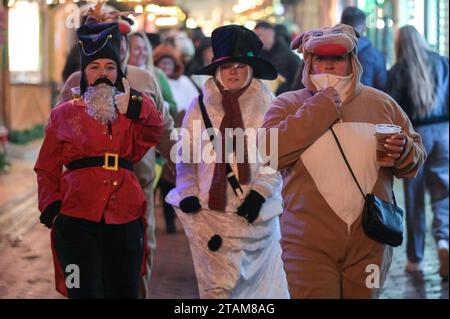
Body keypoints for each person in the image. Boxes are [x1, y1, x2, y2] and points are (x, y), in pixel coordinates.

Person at [262, 23, 425, 298]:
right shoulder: (286, 104)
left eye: (337, 58)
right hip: (307, 244)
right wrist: (322, 106)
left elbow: (413, 160)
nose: (328, 66)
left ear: (352, 62)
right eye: (320, 59)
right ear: (309, 63)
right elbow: (269, 154)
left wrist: (405, 151)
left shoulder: (382, 103)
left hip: (371, 243)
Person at [34, 22, 164, 299]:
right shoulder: (63, 114)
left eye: (109, 67)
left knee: (124, 290)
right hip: (76, 215)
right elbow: (46, 166)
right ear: (84, 73)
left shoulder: (133, 109)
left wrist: (140, 105)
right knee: (82, 290)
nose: (102, 73)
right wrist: (51, 206)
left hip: (126, 214)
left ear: (118, 72)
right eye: (94, 67)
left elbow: (156, 130)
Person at [166, 24, 289, 299]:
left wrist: (259, 195)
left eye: (241, 65)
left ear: (251, 69)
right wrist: (187, 192)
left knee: (261, 295)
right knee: (217, 292)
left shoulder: (269, 105)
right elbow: (186, 158)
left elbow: (274, 159)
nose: (234, 71)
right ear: (217, 70)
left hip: (257, 220)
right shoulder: (199, 106)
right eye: (227, 66)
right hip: (211, 217)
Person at [386, 25, 449, 280]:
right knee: (443, 193)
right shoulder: (443, 62)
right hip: (444, 133)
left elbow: (391, 110)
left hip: (416, 136)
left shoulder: (397, 71)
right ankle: (444, 242)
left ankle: (415, 259)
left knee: (414, 199)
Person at [341, 6, 387, 91]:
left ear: (340, 25)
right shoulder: (376, 55)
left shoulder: (331, 52)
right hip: (369, 103)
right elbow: (383, 89)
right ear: (363, 28)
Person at [254, 21, 301, 95]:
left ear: (270, 33)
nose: (257, 40)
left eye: (259, 35)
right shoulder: (259, 54)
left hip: (286, 100)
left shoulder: (287, 54)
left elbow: (300, 81)